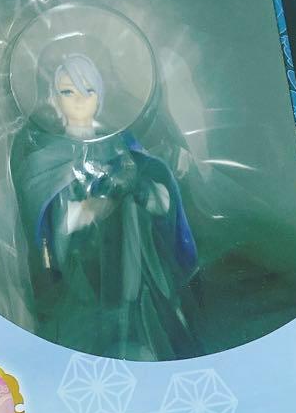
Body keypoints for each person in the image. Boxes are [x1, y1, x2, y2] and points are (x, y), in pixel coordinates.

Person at [14, 53, 199, 360]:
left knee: (150, 336)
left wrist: (144, 190)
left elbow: (159, 198)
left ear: (99, 97)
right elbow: (51, 220)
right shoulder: (47, 155)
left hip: (134, 266)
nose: (79, 100)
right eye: (67, 91)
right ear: (54, 100)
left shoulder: (122, 145)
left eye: (88, 91)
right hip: (83, 275)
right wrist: (91, 208)